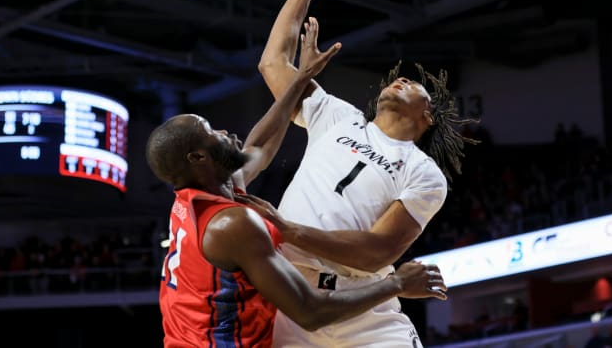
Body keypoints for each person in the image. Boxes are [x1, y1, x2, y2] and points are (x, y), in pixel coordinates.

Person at [146, 17, 448, 348]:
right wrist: (397, 284)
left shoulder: (207, 193)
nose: (225, 132)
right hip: (295, 302)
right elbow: (310, 311)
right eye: (212, 133)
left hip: (351, 298)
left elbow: (258, 146)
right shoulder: (234, 221)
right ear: (198, 159)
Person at [254, 0, 478, 347]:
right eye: (399, 78)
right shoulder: (339, 116)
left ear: (427, 117)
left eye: (412, 84)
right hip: (289, 297)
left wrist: (289, 230)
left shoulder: (423, 173)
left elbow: (376, 252)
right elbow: (273, 63)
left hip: (364, 307)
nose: (401, 79)